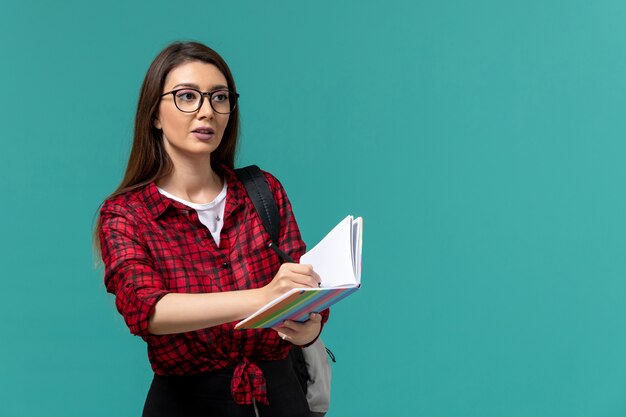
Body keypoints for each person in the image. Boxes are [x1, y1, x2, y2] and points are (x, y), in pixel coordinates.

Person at [94, 41, 328, 417]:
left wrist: (309, 323)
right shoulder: (126, 214)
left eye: (219, 98)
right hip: (187, 404)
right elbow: (147, 310)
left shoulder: (263, 192)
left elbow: (302, 282)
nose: (207, 111)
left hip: (281, 399)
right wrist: (264, 298)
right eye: (187, 96)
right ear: (154, 113)